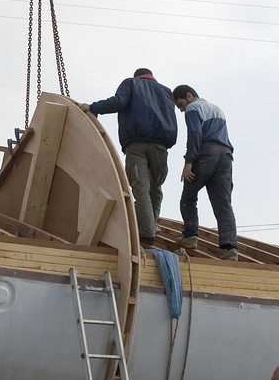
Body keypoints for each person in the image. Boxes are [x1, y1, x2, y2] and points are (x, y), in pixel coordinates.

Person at [85, 68, 178, 245]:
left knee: (141, 188)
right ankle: (151, 224)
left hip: (137, 144)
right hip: (161, 146)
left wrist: (93, 107)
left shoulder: (131, 83)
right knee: (156, 188)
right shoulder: (166, 91)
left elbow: (119, 101)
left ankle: (147, 234)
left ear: (138, 76)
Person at [171, 85, 237, 260]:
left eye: (180, 104)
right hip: (225, 156)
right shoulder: (217, 109)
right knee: (223, 204)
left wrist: (189, 161)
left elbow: (194, 134)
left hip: (206, 153)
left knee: (188, 198)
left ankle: (191, 236)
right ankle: (231, 249)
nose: (181, 109)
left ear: (189, 96)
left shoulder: (193, 108)